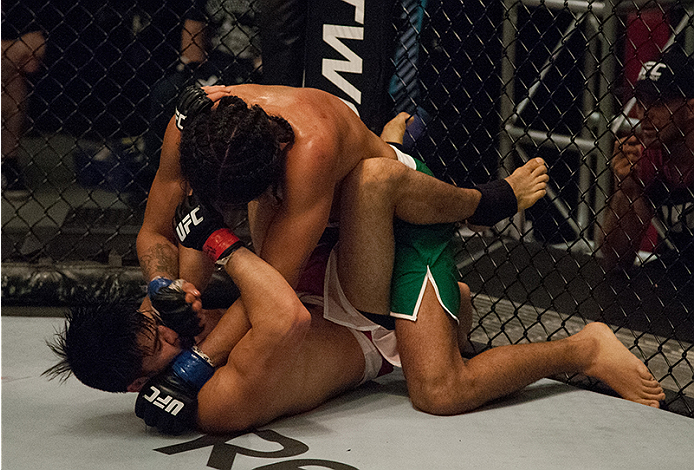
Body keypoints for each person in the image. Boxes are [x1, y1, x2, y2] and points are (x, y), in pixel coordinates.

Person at [46, 117, 664, 435]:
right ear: (140, 387)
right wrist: (212, 237)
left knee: (302, 184)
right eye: (162, 348)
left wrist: (173, 287)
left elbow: (182, 262)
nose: (176, 334)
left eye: (155, 325)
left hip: (326, 284)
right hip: (366, 324)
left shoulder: (167, 329)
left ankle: (387, 148)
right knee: (439, 392)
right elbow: (280, 314)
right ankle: (586, 345)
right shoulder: (216, 402)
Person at [137, 84, 548, 329]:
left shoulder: (308, 145)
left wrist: (197, 362)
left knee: (376, 175)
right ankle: (385, 142)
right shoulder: (188, 126)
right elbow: (156, 232)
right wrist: (161, 289)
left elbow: (274, 290)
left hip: (370, 202)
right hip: (304, 208)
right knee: (182, 287)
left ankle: (482, 201)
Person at [141, 0, 261, 195]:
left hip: (254, 67)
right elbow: (193, 32)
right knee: (166, 91)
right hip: (216, 64)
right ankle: (152, 178)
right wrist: (195, 70)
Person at [600, 45, 693, 271]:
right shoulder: (649, 159)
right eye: (641, 101)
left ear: (690, 109)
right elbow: (615, 261)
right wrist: (626, 190)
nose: (644, 113)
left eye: (658, 102)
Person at [1, 0, 47, 200]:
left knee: (15, 82)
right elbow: (24, 49)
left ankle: (8, 164)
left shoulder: (18, 8)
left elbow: (35, 51)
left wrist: (12, 55)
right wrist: (17, 50)